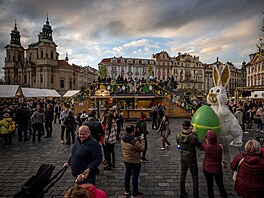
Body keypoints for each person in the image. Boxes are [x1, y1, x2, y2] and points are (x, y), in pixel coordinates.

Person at [176, 120, 201, 198]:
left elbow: (178, 144)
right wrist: (194, 133)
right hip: (191, 158)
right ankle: (195, 195)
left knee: (183, 175)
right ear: (190, 126)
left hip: (183, 157)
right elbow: (198, 144)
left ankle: (182, 194)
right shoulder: (193, 137)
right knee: (195, 177)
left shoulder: (178, 136)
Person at [201, 130, 228, 198]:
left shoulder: (207, 147)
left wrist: (205, 136)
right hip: (217, 169)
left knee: (210, 186)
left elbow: (202, 143)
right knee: (220, 185)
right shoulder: (220, 147)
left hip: (207, 168)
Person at [121, 125, 145, 198]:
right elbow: (142, 148)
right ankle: (135, 193)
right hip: (135, 161)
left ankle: (127, 190)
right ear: (132, 131)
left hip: (126, 160)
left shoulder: (123, 138)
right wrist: (143, 141)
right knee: (135, 177)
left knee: (127, 174)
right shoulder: (135, 142)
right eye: (134, 130)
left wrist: (137, 139)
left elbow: (132, 140)